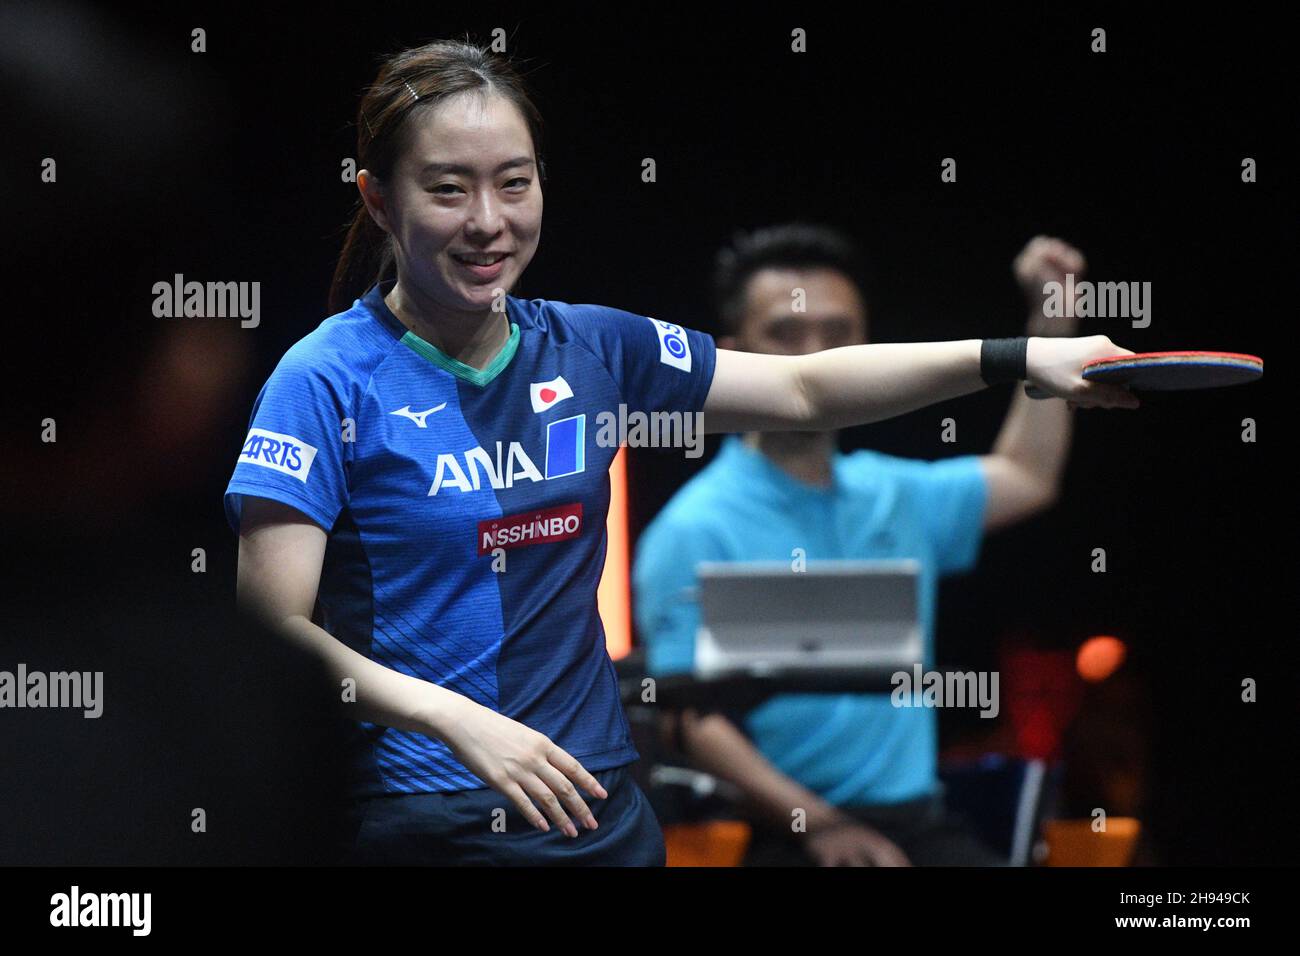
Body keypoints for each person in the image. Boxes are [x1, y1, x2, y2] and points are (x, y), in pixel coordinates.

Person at [226, 39, 1137, 866]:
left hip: (597, 810)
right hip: (420, 816)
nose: (488, 221)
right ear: (378, 198)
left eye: (515, 182)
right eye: (447, 188)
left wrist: (1024, 356)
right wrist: (452, 718)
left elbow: (805, 387)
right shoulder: (323, 380)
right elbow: (271, 626)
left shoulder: (592, 347)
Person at [633, 225, 1097, 866]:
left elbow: (1028, 475)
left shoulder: (896, 495)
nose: (815, 355)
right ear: (733, 353)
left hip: (919, 825)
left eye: (838, 334)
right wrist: (817, 826)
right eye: (785, 335)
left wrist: (1052, 324)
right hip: (778, 835)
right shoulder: (693, 529)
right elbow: (686, 720)